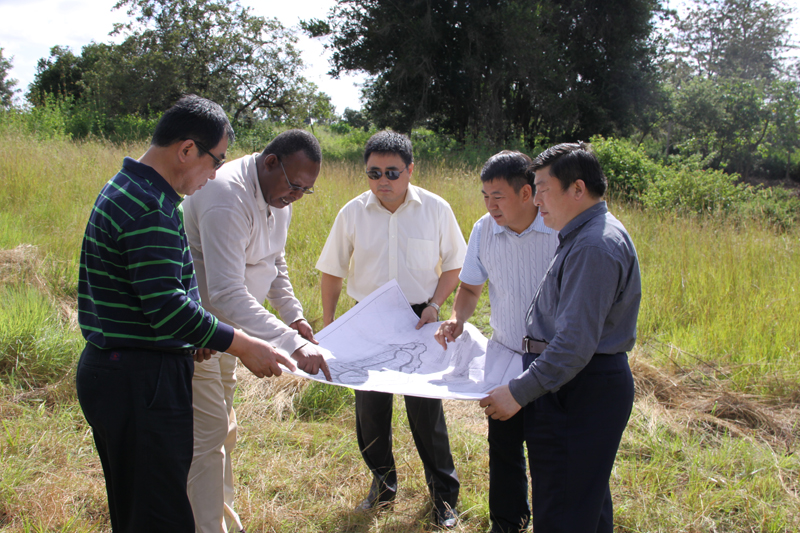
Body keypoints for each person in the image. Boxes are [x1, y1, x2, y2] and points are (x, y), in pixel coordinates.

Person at [76, 94, 297, 533]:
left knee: (141, 509)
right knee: (160, 516)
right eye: (215, 161)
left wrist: (193, 335)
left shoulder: (135, 189)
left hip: (129, 373)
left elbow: (163, 295)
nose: (214, 174)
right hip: (140, 380)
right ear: (187, 150)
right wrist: (241, 343)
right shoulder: (148, 207)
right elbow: (167, 307)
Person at [480, 142, 641, 533]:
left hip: (581, 391)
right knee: (583, 504)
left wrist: (517, 392)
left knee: (563, 510)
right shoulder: (582, 235)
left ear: (577, 189)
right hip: (574, 386)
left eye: (543, 189)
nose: (536, 200)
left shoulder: (594, 246)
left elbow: (572, 346)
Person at [182, 129, 332, 533]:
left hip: (233, 334)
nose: (297, 196)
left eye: (306, 190)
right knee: (208, 437)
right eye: (295, 185)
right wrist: (290, 342)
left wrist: (294, 315)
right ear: (270, 163)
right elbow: (225, 292)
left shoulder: (278, 197)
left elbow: (274, 260)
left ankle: (221, 520)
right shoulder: (226, 196)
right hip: (200, 336)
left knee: (222, 431)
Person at [316, 130, 467, 529]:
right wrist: (330, 327)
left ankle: (444, 498)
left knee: (426, 412)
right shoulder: (352, 212)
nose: (382, 181)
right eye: (374, 173)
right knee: (370, 412)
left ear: (410, 170)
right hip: (366, 320)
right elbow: (332, 270)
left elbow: (455, 263)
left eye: (392, 172)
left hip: (420, 319)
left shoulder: (436, 209)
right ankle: (382, 487)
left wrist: (435, 304)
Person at [434, 150, 558, 533]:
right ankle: (507, 523)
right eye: (485, 196)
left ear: (527, 193)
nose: (490, 206)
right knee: (504, 446)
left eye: (498, 197)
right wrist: (457, 318)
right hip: (505, 354)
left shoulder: (558, 228)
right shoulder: (483, 230)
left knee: (550, 448)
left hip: (552, 360)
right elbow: (470, 288)